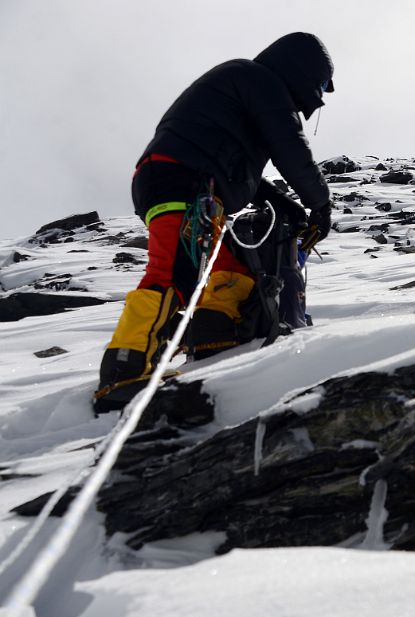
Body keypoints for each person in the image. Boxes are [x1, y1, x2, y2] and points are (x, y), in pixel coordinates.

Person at [94, 32, 335, 413]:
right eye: (320, 87)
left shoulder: (241, 88)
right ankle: (125, 370)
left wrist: (285, 205)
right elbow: (290, 146)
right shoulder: (261, 81)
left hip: (185, 179)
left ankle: (214, 342)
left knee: (230, 268)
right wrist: (320, 204)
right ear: (303, 73)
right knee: (174, 272)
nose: (319, 98)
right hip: (187, 182)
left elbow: (236, 168)